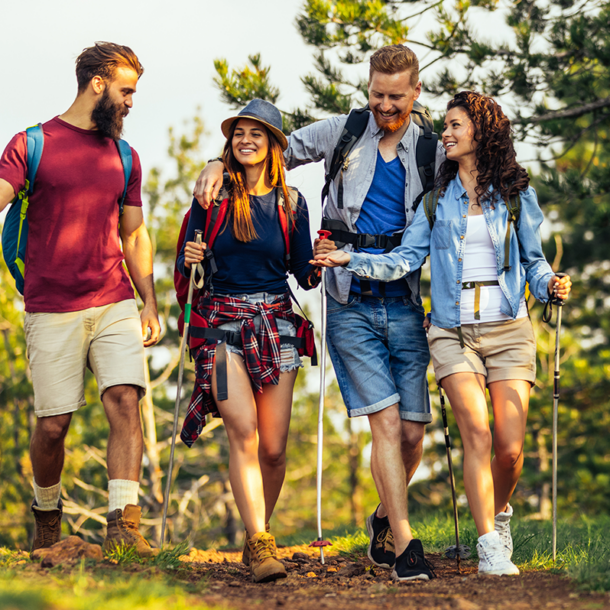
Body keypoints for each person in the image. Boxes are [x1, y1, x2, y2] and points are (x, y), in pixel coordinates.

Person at [195, 45, 444, 582]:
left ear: (416, 92)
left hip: (402, 295)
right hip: (347, 294)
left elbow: (455, 209)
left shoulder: (432, 151)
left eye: (395, 97)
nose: (384, 105)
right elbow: (271, 148)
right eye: (376, 94)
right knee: (382, 421)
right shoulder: (346, 130)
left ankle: (382, 522)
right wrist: (218, 159)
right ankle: (405, 546)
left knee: (411, 436)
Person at [313, 90, 572, 575]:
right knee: (476, 431)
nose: (445, 135)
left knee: (510, 448)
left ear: (482, 131)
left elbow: (534, 264)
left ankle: (498, 513)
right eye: (446, 127)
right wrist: (352, 258)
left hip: (510, 330)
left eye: (455, 126)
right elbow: (405, 260)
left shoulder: (517, 195)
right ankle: (489, 547)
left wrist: (550, 285)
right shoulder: (435, 202)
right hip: (453, 333)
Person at [0, 42, 160, 557]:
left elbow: (134, 235)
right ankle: (47, 519)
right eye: (126, 89)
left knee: (125, 401)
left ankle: (124, 525)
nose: (132, 101)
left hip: (113, 299)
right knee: (53, 426)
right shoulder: (32, 144)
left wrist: (149, 303)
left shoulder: (124, 155)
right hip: (50, 307)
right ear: (97, 83)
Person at [177, 99, 324, 583]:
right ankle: (262, 545)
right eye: (239, 133)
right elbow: (187, 268)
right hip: (221, 322)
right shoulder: (213, 196)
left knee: (275, 448)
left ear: (275, 145)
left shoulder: (293, 203)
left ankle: (255, 530)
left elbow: (303, 275)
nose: (246, 140)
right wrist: (190, 256)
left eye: (256, 134)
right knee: (242, 430)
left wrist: (318, 261)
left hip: (276, 321)